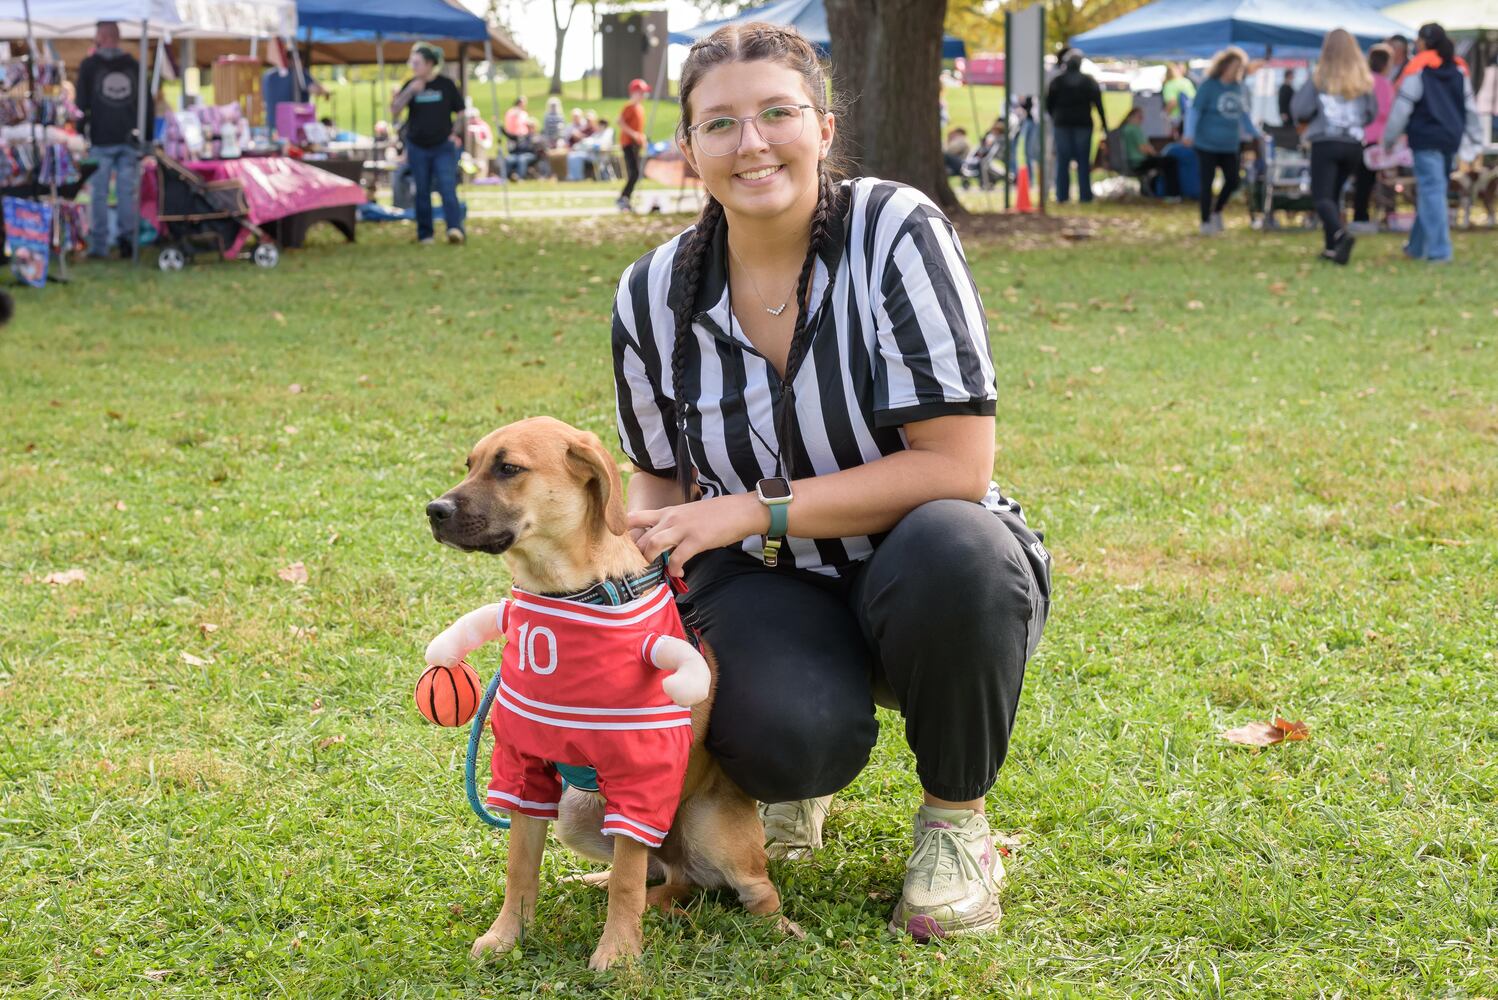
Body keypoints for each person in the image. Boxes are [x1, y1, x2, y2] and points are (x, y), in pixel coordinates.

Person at [612, 22, 1050, 941]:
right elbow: (656, 479)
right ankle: (788, 784)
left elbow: (958, 467)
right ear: (688, 147)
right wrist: (630, 592)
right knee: (783, 733)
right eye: (719, 124)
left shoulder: (894, 230)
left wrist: (749, 508)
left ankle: (956, 826)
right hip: (764, 580)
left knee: (961, 547)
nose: (752, 143)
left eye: (777, 113)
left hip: (920, 569)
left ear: (824, 127)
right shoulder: (650, 295)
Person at [1382, 22, 1483, 263]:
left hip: (1425, 139)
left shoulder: (1418, 70)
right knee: (1433, 191)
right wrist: (1476, 139)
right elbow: (1470, 108)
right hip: (1450, 139)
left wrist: (1388, 139)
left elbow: (1401, 109)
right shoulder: (1458, 70)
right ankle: (1416, 247)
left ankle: (1440, 251)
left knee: (1432, 191)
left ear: (1423, 42)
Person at [1291, 30, 1376, 265]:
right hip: (1353, 144)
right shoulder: (1363, 80)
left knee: (1321, 196)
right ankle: (1331, 248)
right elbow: (1371, 113)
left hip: (1326, 142)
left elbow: (1300, 109)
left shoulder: (1319, 77)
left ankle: (1340, 235)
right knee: (1334, 195)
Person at [391, 43, 465, 245]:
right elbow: (395, 110)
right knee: (421, 190)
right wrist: (410, 92)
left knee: (447, 187)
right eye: (412, 63)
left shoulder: (446, 85)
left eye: (417, 63)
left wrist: (455, 133)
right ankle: (426, 234)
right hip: (417, 146)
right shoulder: (411, 84)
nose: (413, 67)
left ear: (430, 63)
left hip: (443, 146)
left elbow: (460, 112)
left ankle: (454, 229)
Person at [76, 21, 139, 259]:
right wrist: (146, 135)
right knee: (126, 193)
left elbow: (81, 104)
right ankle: (127, 242)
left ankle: (100, 246)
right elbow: (146, 102)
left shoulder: (90, 65)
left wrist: (81, 133)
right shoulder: (133, 65)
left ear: (101, 37)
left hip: (101, 138)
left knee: (99, 194)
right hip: (129, 137)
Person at [1184, 46, 1261, 235]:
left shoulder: (1239, 87)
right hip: (1207, 144)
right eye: (1235, 67)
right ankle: (1205, 221)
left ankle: (1217, 210)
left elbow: (1244, 115)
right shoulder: (1209, 86)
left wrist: (1257, 133)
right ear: (1224, 66)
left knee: (1233, 180)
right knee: (1207, 183)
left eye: (1240, 67)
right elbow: (1195, 111)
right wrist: (1189, 134)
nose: (1237, 71)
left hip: (1229, 144)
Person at [1045, 49, 1107, 202]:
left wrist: (1056, 117)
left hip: (1063, 124)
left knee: (1063, 160)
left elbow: (1049, 104)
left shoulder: (1057, 81)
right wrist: (1104, 124)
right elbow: (1098, 104)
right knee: (1082, 160)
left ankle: (1062, 195)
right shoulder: (1088, 82)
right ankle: (1084, 196)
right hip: (1082, 124)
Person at [1350, 44, 1396, 233]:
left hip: (1358, 137)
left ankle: (1361, 215)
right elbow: (1387, 111)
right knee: (1369, 182)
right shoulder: (1383, 84)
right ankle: (1365, 217)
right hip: (1375, 140)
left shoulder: (1361, 82)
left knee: (1361, 182)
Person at [1117, 106, 1181, 196]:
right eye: (1140, 117)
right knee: (1170, 161)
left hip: (1132, 161)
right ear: (1132, 117)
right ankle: (1172, 193)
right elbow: (1143, 148)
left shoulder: (1125, 128)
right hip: (1139, 162)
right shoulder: (1134, 129)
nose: (1142, 119)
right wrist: (1156, 154)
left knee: (1164, 162)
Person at [261, 55, 326, 136]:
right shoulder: (299, 74)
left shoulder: (268, 75)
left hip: (271, 124)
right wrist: (324, 89)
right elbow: (316, 89)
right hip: (293, 126)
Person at [617, 78, 649, 212]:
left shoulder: (640, 108)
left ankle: (626, 198)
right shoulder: (629, 107)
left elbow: (639, 128)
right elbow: (620, 121)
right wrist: (634, 134)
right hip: (628, 143)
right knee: (634, 172)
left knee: (636, 172)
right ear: (634, 92)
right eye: (641, 92)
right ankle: (623, 197)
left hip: (636, 144)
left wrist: (642, 138)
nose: (643, 95)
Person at [566, 116, 613, 181]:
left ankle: (577, 177)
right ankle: (573, 176)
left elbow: (602, 144)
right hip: (591, 153)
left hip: (599, 155)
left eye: (601, 125)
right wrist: (577, 146)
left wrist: (593, 145)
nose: (599, 126)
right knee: (572, 155)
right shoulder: (597, 133)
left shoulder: (608, 132)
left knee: (576, 157)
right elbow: (588, 141)